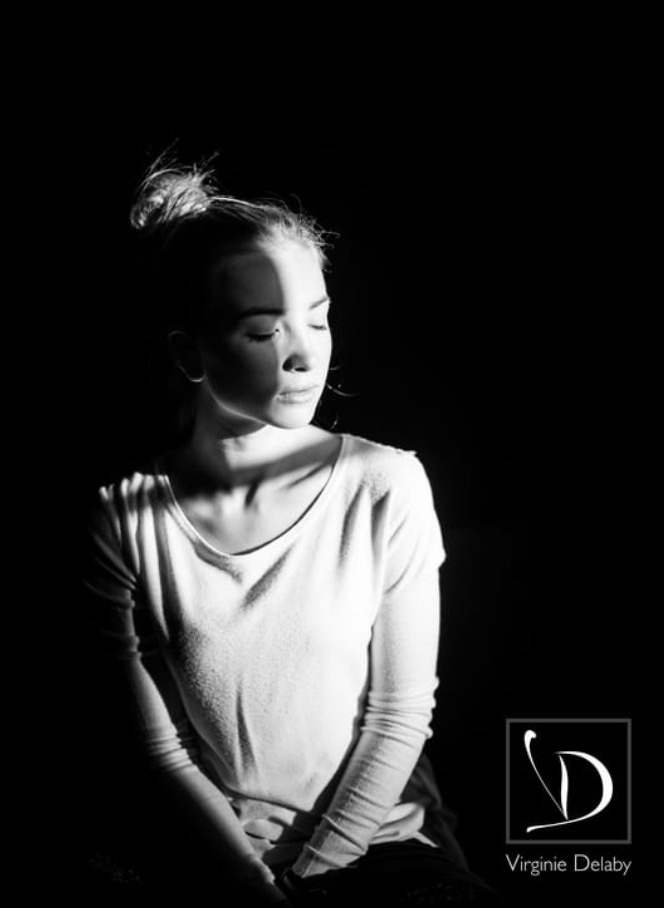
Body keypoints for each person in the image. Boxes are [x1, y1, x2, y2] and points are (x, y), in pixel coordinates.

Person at [80, 159, 511, 906]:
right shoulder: (123, 517)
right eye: (264, 330)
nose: (306, 354)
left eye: (318, 318)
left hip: (376, 850)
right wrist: (248, 885)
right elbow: (156, 749)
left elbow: (400, 716)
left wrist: (311, 879)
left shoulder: (385, 485)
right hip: (208, 854)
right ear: (190, 352)